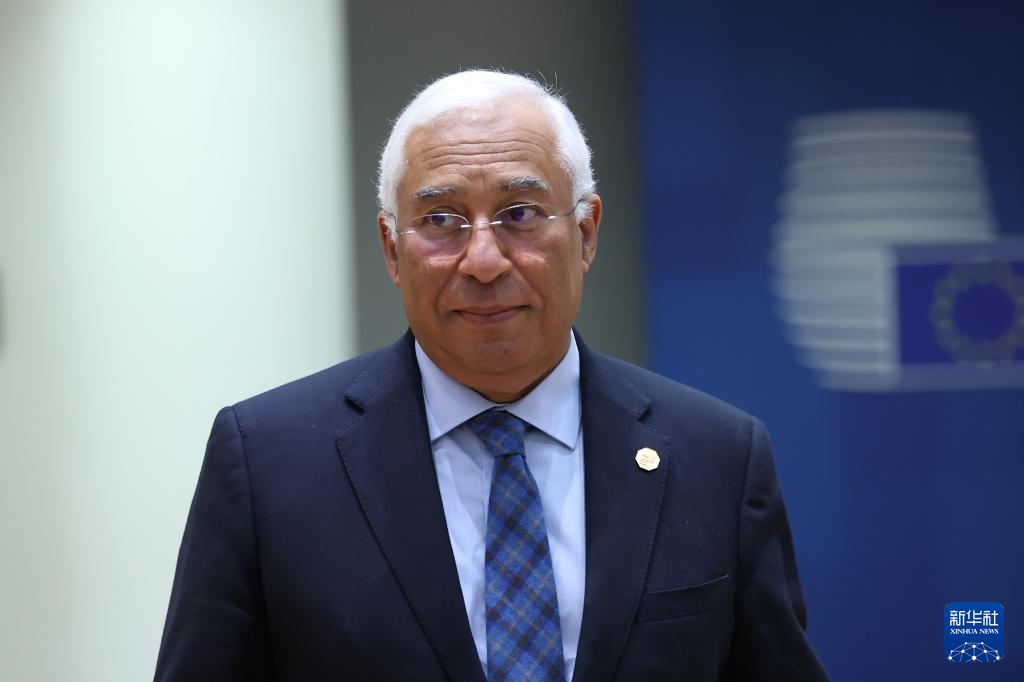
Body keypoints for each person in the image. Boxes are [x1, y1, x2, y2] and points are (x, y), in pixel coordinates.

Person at [155, 69, 830, 681]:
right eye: (440, 220)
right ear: (391, 248)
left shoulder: (715, 458)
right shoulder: (269, 463)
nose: (482, 260)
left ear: (586, 233)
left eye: (520, 214)